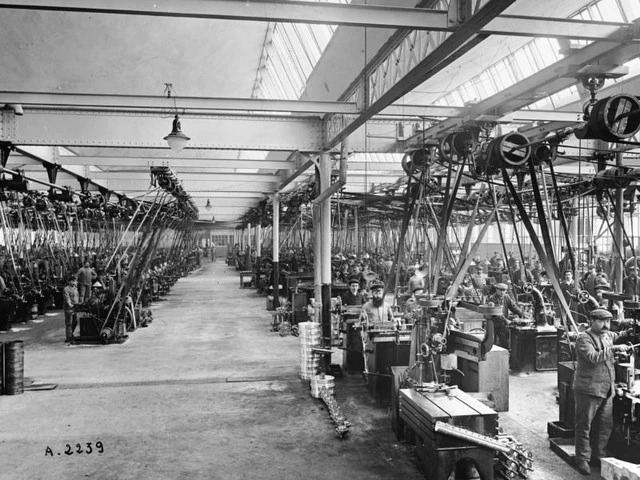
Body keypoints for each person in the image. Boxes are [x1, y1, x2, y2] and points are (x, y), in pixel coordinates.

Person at [572, 308, 634, 475]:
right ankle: (582, 459)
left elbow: (616, 335)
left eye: (608, 321)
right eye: (601, 321)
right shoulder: (584, 338)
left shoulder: (607, 335)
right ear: (592, 321)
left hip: (607, 389)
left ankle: (599, 456)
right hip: (589, 389)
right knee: (584, 426)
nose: (606, 325)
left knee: (604, 426)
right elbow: (593, 357)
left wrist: (629, 331)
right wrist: (613, 349)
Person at [487, 283, 523, 350]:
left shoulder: (506, 297)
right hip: (493, 324)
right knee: (492, 343)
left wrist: (522, 315)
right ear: (496, 289)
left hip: (503, 325)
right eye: (500, 290)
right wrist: (506, 320)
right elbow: (496, 313)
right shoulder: (492, 299)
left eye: (504, 290)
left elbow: (513, 307)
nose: (502, 292)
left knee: (504, 343)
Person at [63, 277, 80, 343]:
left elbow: (77, 297)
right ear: (69, 282)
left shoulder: (75, 288)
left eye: (75, 281)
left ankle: (71, 333)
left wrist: (78, 304)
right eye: (72, 281)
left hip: (75, 308)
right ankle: (68, 337)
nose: (74, 282)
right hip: (69, 308)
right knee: (69, 323)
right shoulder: (66, 289)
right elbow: (67, 298)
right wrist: (69, 304)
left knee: (75, 322)